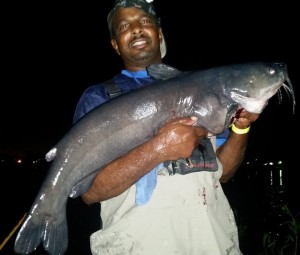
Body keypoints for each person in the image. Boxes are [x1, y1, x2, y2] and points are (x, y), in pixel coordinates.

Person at [72, 0, 259, 254]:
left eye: (145, 22)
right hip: (139, 244)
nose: (137, 29)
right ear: (116, 45)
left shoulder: (203, 88)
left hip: (210, 239)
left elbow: (224, 173)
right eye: (125, 26)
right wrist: (159, 148)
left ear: (159, 34)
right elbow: (90, 192)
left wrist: (241, 128)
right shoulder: (99, 99)